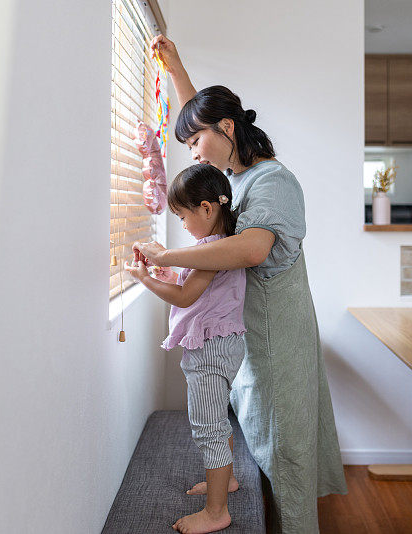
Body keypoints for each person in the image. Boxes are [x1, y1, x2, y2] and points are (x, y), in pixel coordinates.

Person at [134, 35, 348, 533]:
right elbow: (200, 116)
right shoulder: (233, 176)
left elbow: (251, 249)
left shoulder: (274, 182)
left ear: (228, 129)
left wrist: (168, 256)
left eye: (194, 143)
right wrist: (175, 65)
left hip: (280, 340)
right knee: (248, 430)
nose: (191, 154)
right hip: (248, 334)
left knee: (286, 453)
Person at [124, 164, 247, 534]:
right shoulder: (215, 248)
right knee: (216, 420)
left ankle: (216, 512)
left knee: (207, 427)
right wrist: (168, 272)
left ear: (207, 209)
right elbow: (193, 284)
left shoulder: (213, 250)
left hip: (211, 350)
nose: (182, 225)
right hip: (220, 344)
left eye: (182, 216)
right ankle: (226, 481)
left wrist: (145, 278)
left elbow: (186, 295)